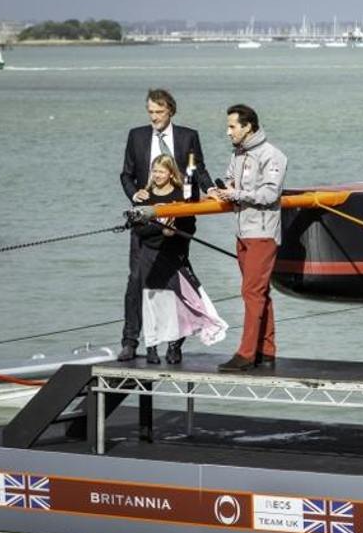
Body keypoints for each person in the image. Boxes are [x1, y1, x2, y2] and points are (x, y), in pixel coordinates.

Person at [119, 89, 213, 362]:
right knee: (137, 280)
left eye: (159, 112)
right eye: (150, 112)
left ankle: (175, 344)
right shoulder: (136, 136)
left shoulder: (187, 136)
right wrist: (134, 194)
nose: (154, 118)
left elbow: (200, 170)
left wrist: (212, 190)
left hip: (180, 219)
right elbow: (126, 174)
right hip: (145, 221)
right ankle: (130, 341)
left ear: (170, 110)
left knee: (178, 281)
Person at [208, 104, 287, 372]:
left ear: (248, 126)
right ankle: (266, 351)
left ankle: (245, 354)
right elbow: (231, 181)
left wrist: (236, 194)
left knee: (251, 292)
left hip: (262, 233)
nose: (228, 131)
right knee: (260, 292)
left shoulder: (273, 155)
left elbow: (269, 195)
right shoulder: (238, 154)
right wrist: (220, 190)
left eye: (232, 126)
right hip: (242, 231)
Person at [132, 155, 229, 362]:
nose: (157, 175)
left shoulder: (180, 195)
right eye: (155, 171)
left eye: (161, 171)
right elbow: (139, 231)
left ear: (171, 173)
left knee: (183, 301)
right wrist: (161, 231)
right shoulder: (144, 196)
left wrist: (173, 233)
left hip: (174, 254)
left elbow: (189, 226)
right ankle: (151, 347)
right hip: (150, 255)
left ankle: (175, 346)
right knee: (152, 303)